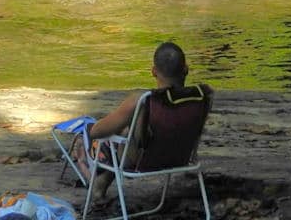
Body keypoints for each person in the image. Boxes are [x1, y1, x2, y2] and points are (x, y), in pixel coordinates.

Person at [73, 42, 213, 199]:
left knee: (91, 135)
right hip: (182, 156)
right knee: (128, 131)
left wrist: (93, 130)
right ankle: (100, 182)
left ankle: (94, 181)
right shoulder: (201, 98)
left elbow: (98, 131)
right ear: (186, 69)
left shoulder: (144, 101)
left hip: (141, 161)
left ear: (154, 71)